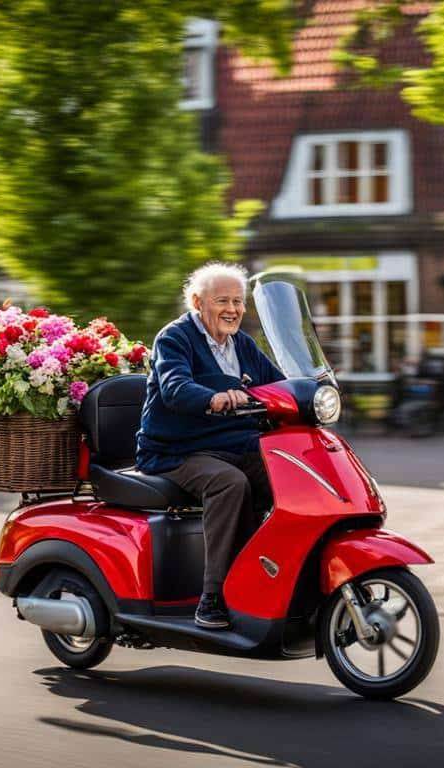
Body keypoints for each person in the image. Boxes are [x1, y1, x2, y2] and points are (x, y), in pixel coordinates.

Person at [136, 263, 285, 629]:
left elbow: (279, 384)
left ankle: (266, 576)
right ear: (197, 302)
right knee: (230, 483)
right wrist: (214, 398)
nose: (232, 309)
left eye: (238, 301)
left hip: (229, 444)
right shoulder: (175, 338)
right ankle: (213, 597)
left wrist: (311, 390)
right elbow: (174, 387)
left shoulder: (243, 345)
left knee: (287, 475)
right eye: (222, 301)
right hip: (175, 450)